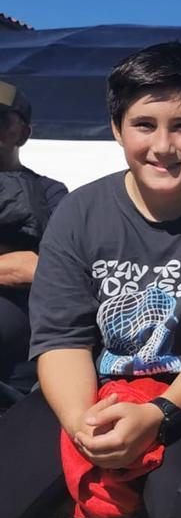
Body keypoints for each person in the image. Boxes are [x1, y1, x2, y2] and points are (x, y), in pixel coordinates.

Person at [0, 42, 181, 518]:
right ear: (117, 129)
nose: (162, 146)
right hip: (90, 387)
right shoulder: (78, 214)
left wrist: (158, 415)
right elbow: (62, 339)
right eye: (144, 125)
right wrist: (81, 427)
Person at [0, 80, 68, 403]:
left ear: (23, 133)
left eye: (1, 119)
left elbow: (47, 268)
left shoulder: (49, 194)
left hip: (24, 380)